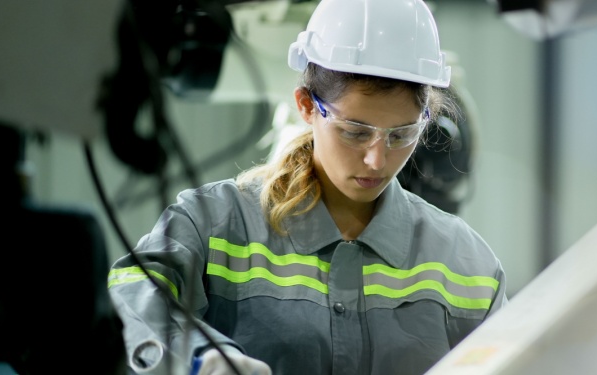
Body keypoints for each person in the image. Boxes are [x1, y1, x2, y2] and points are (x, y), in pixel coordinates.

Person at [105, 0, 509, 374]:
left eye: (401, 134)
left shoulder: (469, 266)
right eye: (354, 132)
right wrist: (199, 356)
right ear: (305, 105)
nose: (377, 160)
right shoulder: (213, 224)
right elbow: (132, 292)